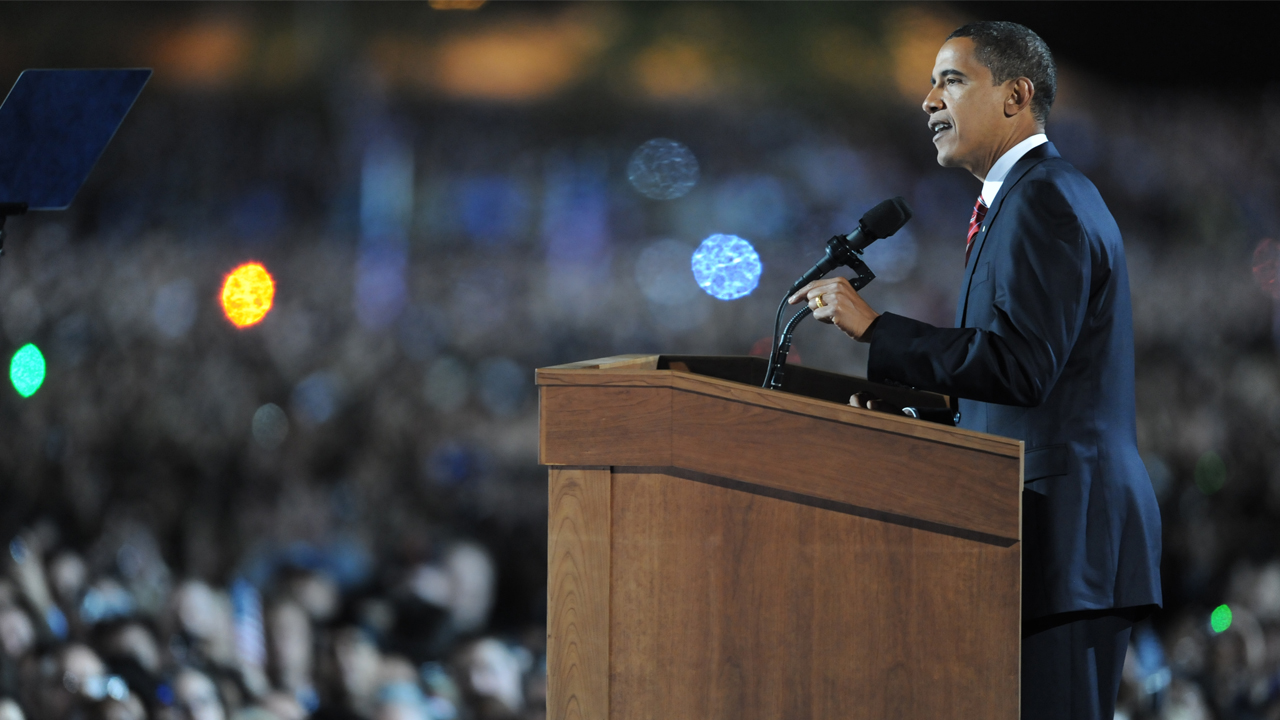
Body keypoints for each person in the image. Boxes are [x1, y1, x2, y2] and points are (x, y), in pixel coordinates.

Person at [789, 20, 1163, 720]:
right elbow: (1013, 377)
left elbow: (1024, 369)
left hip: (1067, 543)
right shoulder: (1021, 200)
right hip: (1048, 541)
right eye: (932, 81)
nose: (929, 98)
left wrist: (879, 330)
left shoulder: (1044, 199)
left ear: (1017, 95)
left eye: (951, 79)